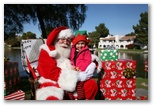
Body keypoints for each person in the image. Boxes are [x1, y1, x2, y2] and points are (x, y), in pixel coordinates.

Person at [36, 26, 99, 100]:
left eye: (68, 40)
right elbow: (48, 71)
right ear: (56, 39)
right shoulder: (46, 51)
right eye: (62, 39)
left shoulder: (71, 51)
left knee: (91, 84)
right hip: (53, 81)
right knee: (52, 97)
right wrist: (73, 76)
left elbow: (83, 58)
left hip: (74, 80)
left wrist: (93, 63)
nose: (66, 42)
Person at [67, 34, 92, 100]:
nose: (80, 45)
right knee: (69, 80)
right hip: (73, 69)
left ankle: (81, 97)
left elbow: (88, 61)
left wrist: (80, 68)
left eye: (82, 43)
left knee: (79, 84)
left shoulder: (86, 51)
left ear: (85, 44)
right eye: (78, 44)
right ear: (75, 44)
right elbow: (71, 59)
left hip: (81, 70)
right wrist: (72, 67)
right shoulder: (72, 50)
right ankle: (70, 94)